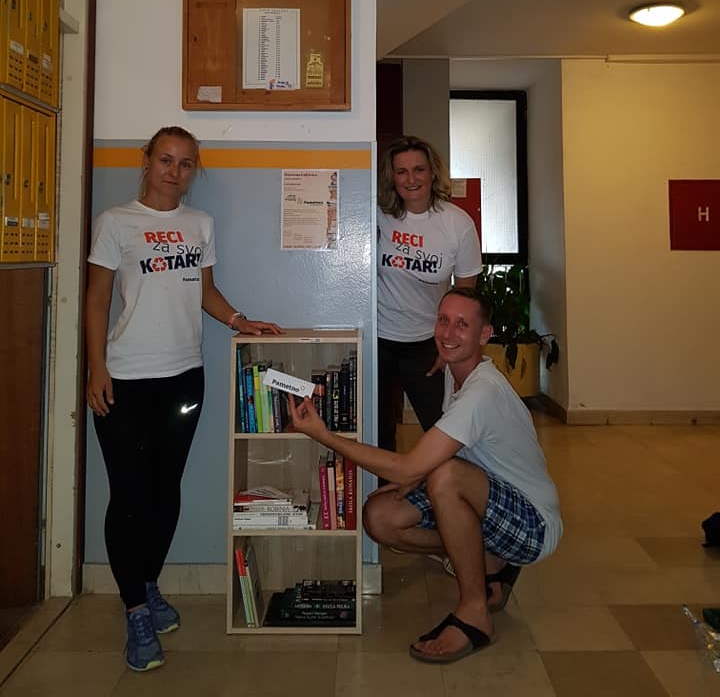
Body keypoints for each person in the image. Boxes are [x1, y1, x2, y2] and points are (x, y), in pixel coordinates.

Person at [85, 125, 282, 672]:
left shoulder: (200, 223)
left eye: (186, 163)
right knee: (128, 496)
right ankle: (134, 611)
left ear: (195, 169)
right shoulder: (115, 222)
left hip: (183, 379)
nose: (175, 171)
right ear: (147, 161)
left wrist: (240, 321)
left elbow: (205, 291)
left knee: (164, 491)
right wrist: (96, 368)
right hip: (124, 379)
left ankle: (147, 584)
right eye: (166, 160)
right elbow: (97, 299)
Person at [289, 287, 562, 664]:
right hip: (485, 499)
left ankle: (475, 613)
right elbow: (445, 453)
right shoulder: (454, 373)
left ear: (484, 335)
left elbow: (412, 466)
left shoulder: (483, 392)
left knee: (445, 476)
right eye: (443, 320)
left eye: (462, 325)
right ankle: (487, 560)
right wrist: (411, 477)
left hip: (533, 525)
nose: (448, 332)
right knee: (380, 517)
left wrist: (325, 436)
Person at [377, 136, 482, 451]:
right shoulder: (378, 215)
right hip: (378, 340)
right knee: (378, 433)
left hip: (426, 343)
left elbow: (465, 297)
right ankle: (385, 484)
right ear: (392, 177)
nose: (411, 179)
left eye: (419, 169)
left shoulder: (457, 223)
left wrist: (447, 347)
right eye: (402, 171)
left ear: (433, 172)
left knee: (443, 432)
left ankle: (449, 482)